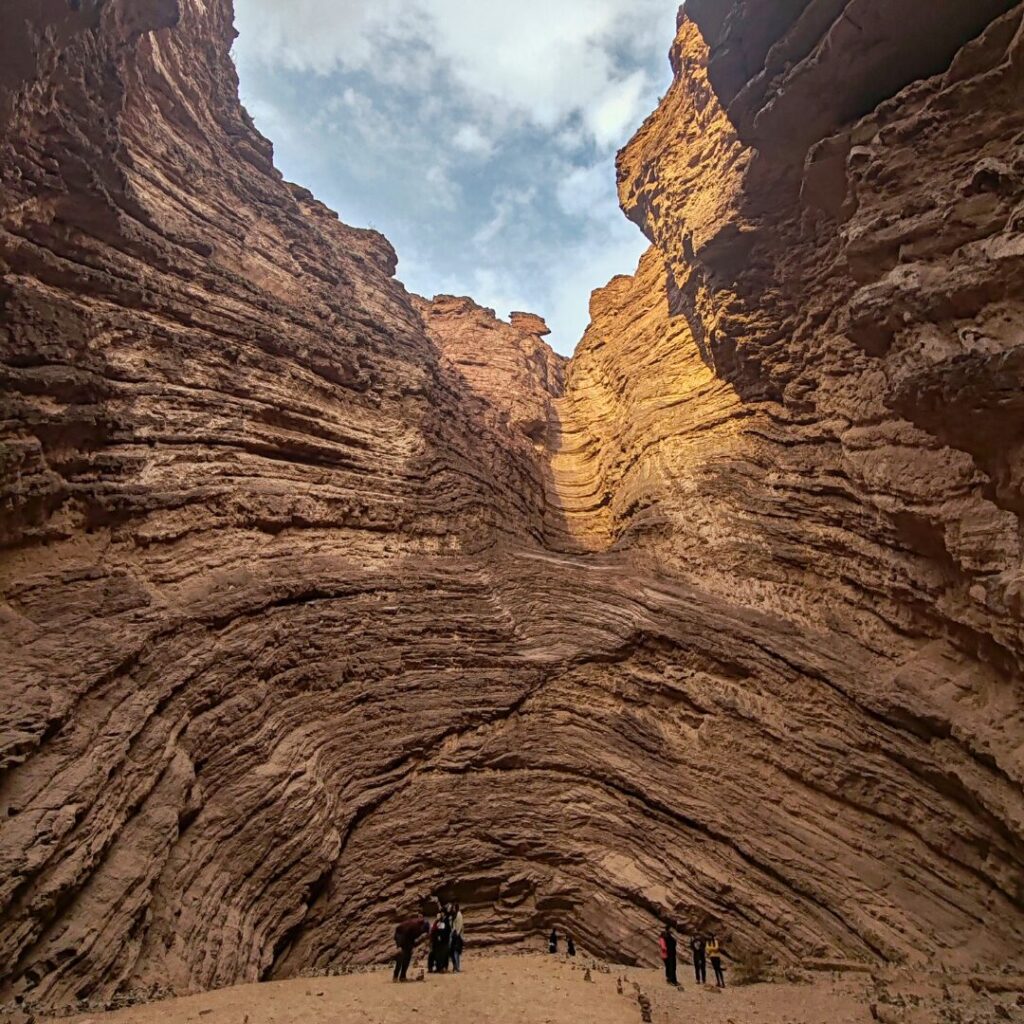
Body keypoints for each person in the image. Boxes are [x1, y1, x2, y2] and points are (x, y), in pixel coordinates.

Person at [393, 915, 429, 982]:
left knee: (407, 958)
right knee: (400, 958)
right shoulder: (414, 926)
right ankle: (395, 976)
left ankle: (402, 976)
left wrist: (412, 946)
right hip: (400, 936)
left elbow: (412, 939)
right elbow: (404, 933)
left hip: (407, 940)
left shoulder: (418, 928)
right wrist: (399, 946)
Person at [428, 907, 451, 973]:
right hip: (439, 941)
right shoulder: (440, 921)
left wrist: (440, 936)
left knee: (443, 955)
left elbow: (444, 930)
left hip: (443, 940)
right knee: (439, 955)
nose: (441, 914)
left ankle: (442, 968)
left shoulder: (445, 920)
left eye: (442, 913)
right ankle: (439, 967)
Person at [450, 902, 465, 973]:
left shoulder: (459, 915)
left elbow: (460, 924)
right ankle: (456, 967)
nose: (452, 909)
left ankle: (457, 967)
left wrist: (458, 933)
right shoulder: (454, 915)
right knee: (454, 952)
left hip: (457, 936)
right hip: (455, 935)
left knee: (456, 952)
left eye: (453, 908)